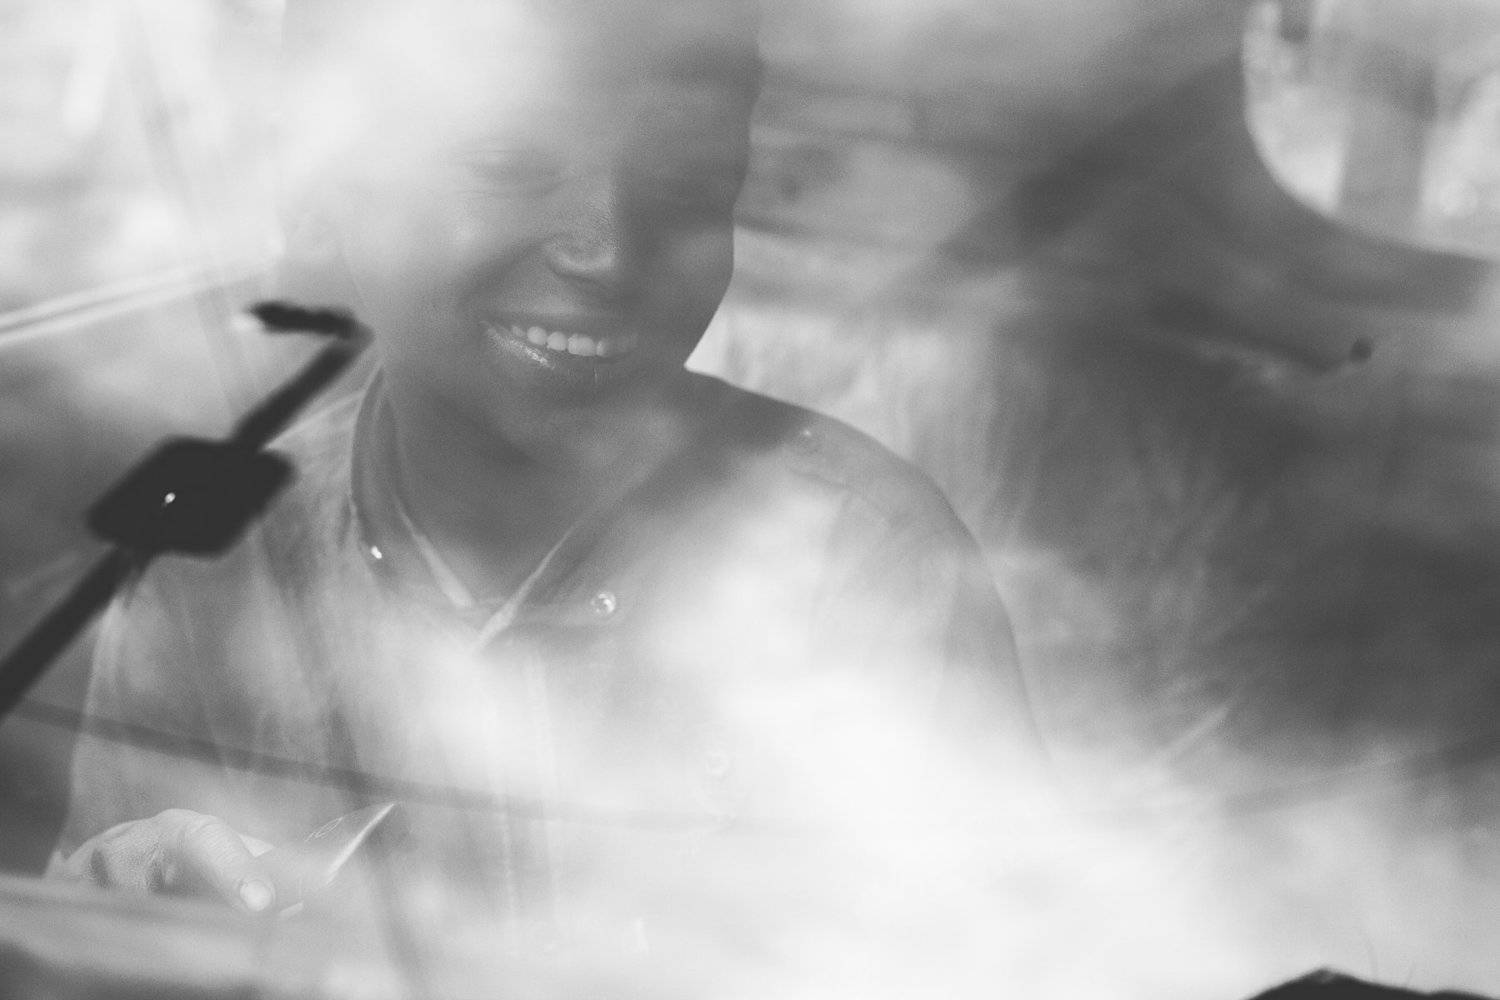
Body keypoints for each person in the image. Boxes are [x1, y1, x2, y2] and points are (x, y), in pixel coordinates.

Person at [48, 0, 1036, 981]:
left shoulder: (851, 562)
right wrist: (113, 912)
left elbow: (993, 958)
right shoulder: (221, 552)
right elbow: (109, 927)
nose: (606, 252)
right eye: (508, 167)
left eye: (690, 189)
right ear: (334, 182)